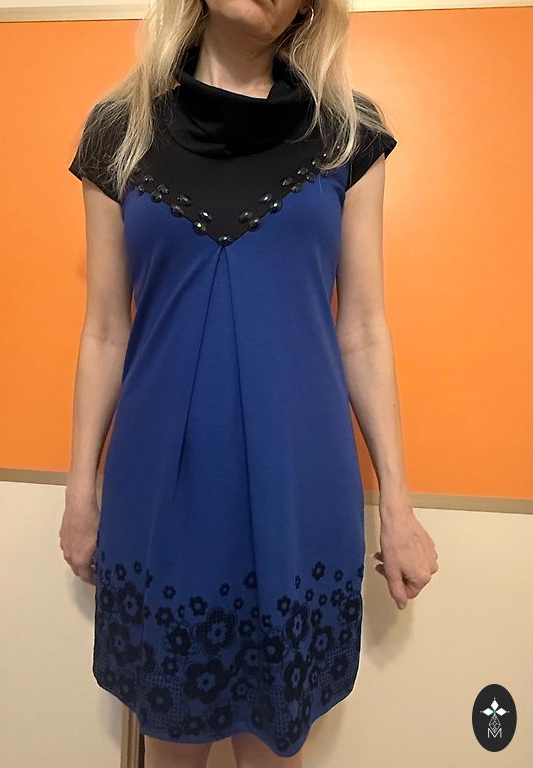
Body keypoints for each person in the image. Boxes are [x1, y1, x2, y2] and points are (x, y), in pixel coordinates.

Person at [60, 1, 439, 766]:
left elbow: (363, 327)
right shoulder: (119, 132)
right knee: (170, 739)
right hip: (163, 490)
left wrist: (397, 507)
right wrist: (80, 493)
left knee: (276, 738)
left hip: (299, 484)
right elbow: (104, 330)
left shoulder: (347, 134)